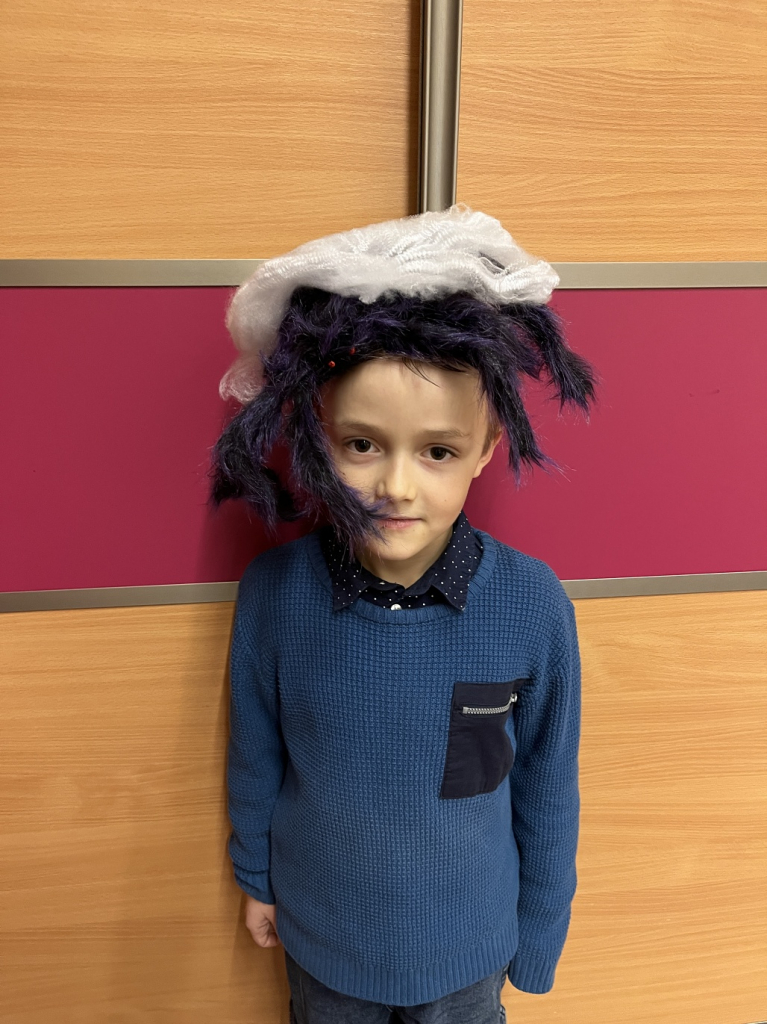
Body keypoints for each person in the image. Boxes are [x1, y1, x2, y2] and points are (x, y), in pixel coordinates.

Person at [209, 204, 599, 1024]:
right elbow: (255, 751)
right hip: (323, 945)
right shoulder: (274, 593)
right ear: (318, 436)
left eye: (437, 451)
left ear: (485, 450)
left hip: (468, 955)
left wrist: (540, 934)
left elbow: (546, 786)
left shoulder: (531, 604)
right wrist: (255, 878)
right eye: (361, 445)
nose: (395, 485)